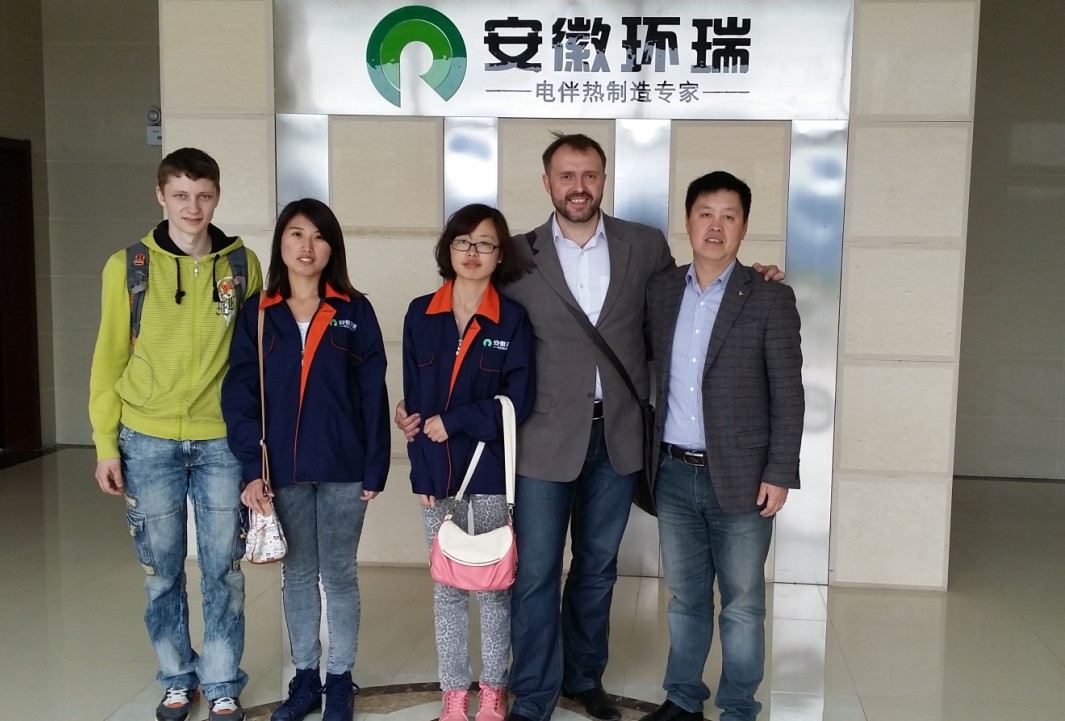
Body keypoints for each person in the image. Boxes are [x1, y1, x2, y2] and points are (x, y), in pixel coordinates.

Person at [396, 133, 781, 721]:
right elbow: (475, 329)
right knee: (535, 572)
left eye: (590, 175)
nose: (579, 187)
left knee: (597, 568)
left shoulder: (643, 246)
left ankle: (583, 676)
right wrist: (425, 404)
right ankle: (533, 692)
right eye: (566, 176)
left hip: (618, 437)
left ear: (604, 180)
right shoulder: (517, 254)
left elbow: (694, 293)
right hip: (541, 438)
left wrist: (754, 278)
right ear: (547, 183)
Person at [88, 147, 263, 721]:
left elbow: (254, 362)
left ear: (218, 197)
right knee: (161, 572)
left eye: (204, 195)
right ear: (161, 195)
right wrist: (105, 445)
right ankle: (175, 676)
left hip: (221, 441)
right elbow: (108, 358)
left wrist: (257, 445)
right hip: (147, 438)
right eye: (181, 195)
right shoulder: (127, 266)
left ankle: (221, 681)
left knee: (223, 570)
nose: (193, 207)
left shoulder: (242, 265)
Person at [640, 171, 804, 721]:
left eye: (728, 216)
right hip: (672, 472)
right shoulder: (661, 292)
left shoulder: (770, 297)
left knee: (742, 604)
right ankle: (683, 698)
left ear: (744, 227)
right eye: (705, 214)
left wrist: (779, 471)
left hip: (743, 477)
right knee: (685, 599)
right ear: (687, 222)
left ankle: (738, 707)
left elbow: (789, 393)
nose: (716, 226)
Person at [221, 198, 390, 721]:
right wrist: (251, 469)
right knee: (296, 575)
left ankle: (339, 679)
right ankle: (305, 678)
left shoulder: (354, 311)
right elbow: (241, 395)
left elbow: (373, 394)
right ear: (281, 243)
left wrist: (376, 467)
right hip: (282, 471)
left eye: (318, 236)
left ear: (332, 247)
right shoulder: (258, 313)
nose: (307, 246)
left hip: (344, 468)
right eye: (296, 234)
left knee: (338, 575)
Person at [401, 203, 536, 721]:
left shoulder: (512, 319)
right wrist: (420, 469)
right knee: (448, 588)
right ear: (448, 249)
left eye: (484, 244)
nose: (472, 252)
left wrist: (455, 421)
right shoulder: (420, 313)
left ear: (500, 255)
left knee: (494, 587)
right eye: (463, 241)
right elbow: (415, 407)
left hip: (490, 473)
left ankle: (494, 690)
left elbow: (517, 401)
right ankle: (455, 693)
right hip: (437, 473)